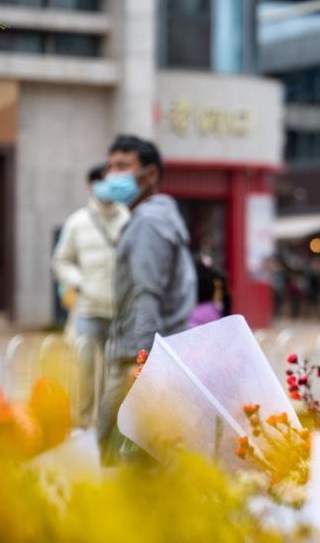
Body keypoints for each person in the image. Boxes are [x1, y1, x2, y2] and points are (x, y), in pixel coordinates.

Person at [96, 135, 196, 461]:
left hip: (139, 359)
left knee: (116, 456)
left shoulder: (148, 225)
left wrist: (140, 362)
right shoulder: (158, 219)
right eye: (110, 166)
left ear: (150, 175)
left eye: (123, 166)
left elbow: (146, 295)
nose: (113, 175)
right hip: (156, 355)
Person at [51, 163, 130, 426]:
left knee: (116, 375)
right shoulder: (77, 222)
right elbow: (61, 260)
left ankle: (109, 429)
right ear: (91, 186)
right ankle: (81, 424)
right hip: (88, 311)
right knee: (84, 371)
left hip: (120, 312)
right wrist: (80, 283)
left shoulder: (127, 219)